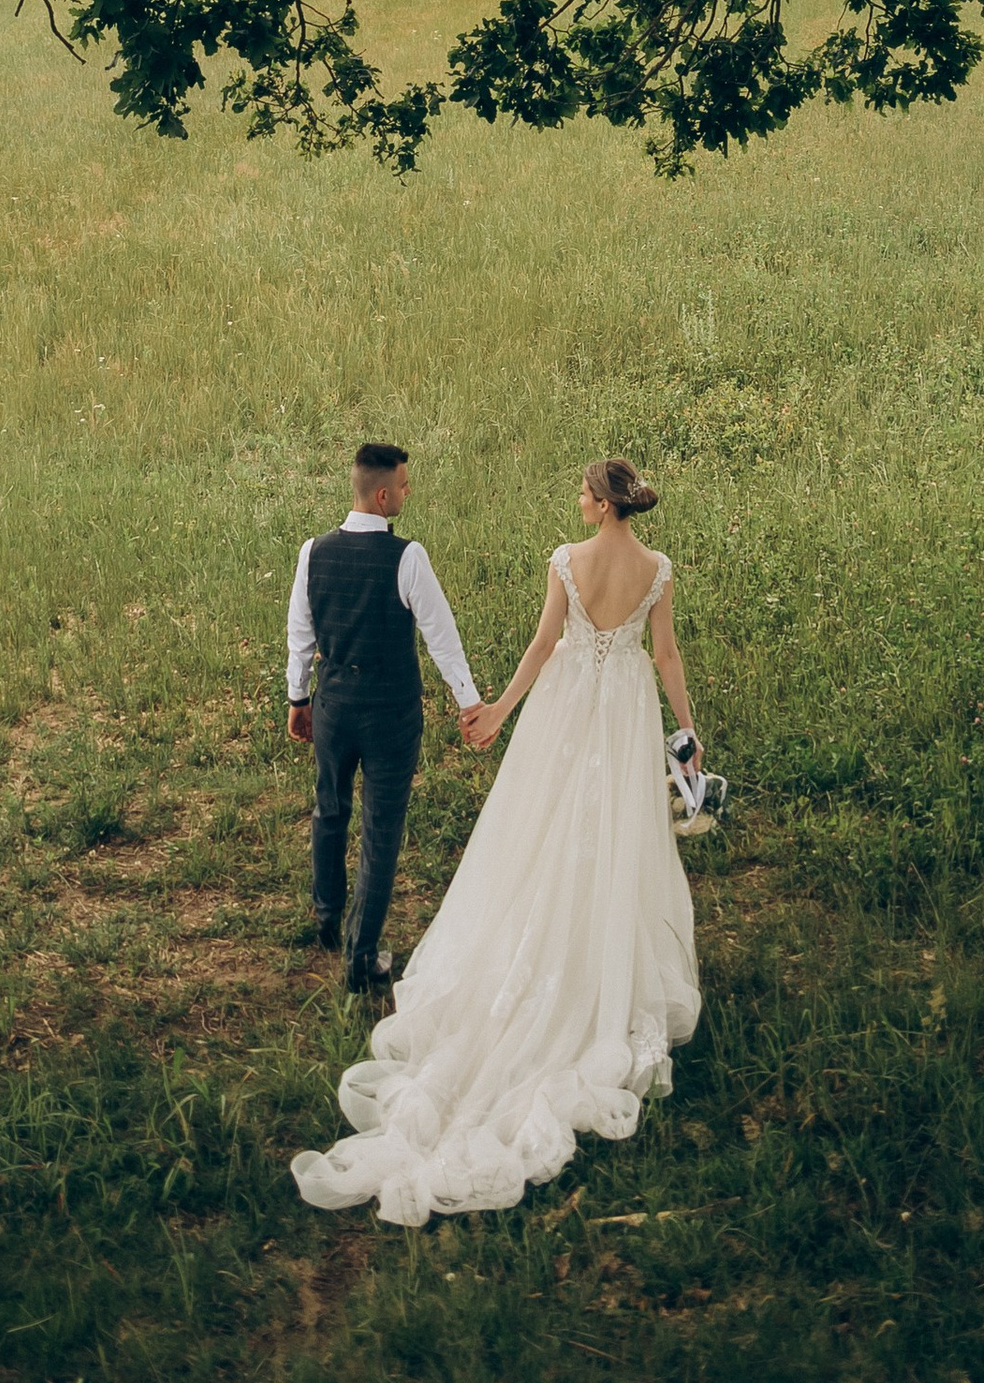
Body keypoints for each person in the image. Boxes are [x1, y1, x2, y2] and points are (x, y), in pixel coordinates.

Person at [290, 456, 702, 1228]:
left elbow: (543, 648)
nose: (576, 499)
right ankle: (599, 952)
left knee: (540, 829)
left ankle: (526, 955)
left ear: (603, 501)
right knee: (611, 830)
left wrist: (498, 712)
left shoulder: (567, 561)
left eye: (582, 490)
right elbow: (667, 655)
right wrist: (685, 730)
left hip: (566, 706)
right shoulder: (656, 569)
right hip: (621, 712)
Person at [285, 439, 483, 997]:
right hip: (391, 714)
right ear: (381, 494)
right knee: (381, 830)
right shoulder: (407, 557)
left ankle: (327, 916)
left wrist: (298, 699)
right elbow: (442, 639)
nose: (407, 490)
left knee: (330, 808)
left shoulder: (313, 552)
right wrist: (468, 702)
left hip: (332, 705)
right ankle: (361, 955)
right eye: (403, 484)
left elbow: (300, 634)